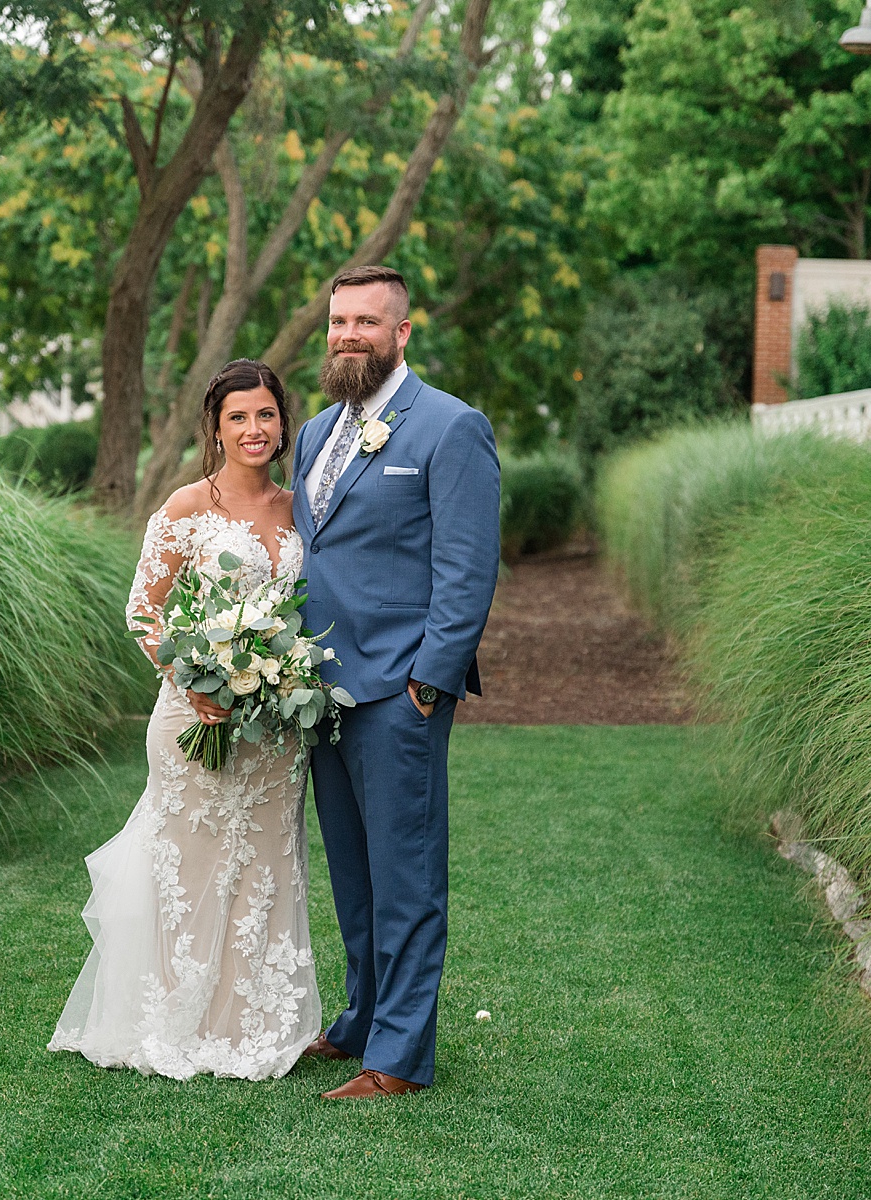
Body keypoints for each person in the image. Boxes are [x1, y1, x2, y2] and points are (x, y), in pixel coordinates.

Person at [48, 360, 322, 1081]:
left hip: (273, 731)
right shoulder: (185, 507)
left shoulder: (301, 510)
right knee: (192, 868)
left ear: (283, 423)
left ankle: (255, 1025)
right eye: (238, 417)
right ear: (216, 426)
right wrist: (192, 679)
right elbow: (143, 608)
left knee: (266, 866)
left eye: (265, 415)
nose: (254, 429)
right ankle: (175, 1018)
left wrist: (284, 673)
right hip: (193, 716)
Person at [293, 264, 501, 1099]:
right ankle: (360, 1020)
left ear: (402, 333)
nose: (348, 336)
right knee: (352, 868)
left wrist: (430, 682)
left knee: (406, 877)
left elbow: (467, 567)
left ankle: (401, 1057)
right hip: (320, 691)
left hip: (400, 693)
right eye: (339, 322)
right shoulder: (314, 432)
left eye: (367, 323)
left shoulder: (450, 428)